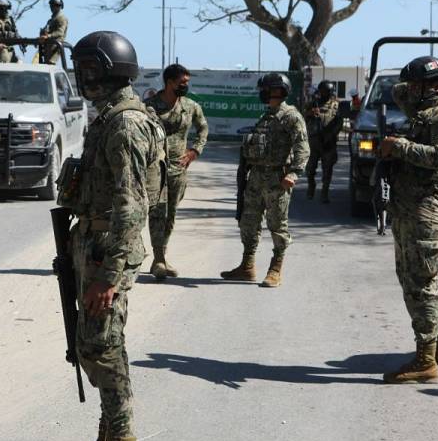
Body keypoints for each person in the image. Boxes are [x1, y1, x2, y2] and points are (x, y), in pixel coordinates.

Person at [68, 31, 164, 441]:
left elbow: (132, 206)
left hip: (109, 250)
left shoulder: (124, 124)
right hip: (94, 244)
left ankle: (122, 436)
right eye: (81, 69)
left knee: (101, 347)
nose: (83, 78)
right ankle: (110, 431)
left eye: (90, 69)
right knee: (94, 343)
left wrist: (109, 275)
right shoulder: (110, 116)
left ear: (112, 71)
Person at [379, 56, 438, 384]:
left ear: (433, 86)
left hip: (426, 209)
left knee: (421, 284)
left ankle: (426, 361)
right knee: (415, 280)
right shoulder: (424, 114)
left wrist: (398, 146)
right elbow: (400, 91)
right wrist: (426, 85)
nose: (410, 90)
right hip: (409, 209)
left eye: (418, 84)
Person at [221, 73, 309, 287]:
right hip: (256, 178)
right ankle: (247, 266)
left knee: (278, 225)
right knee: (248, 223)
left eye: (266, 89)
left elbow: (302, 147)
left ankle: (276, 269)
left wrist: (294, 173)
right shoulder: (267, 116)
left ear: (277, 90)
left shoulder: (290, 116)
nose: (263, 93)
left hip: (277, 179)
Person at [144, 64, 209, 279]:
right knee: (156, 213)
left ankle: (161, 257)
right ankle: (158, 258)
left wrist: (194, 151)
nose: (186, 86)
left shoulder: (190, 107)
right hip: (154, 168)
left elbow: (203, 128)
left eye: (187, 82)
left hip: (178, 169)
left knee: (170, 213)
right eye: (182, 82)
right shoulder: (149, 106)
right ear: (169, 82)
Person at [304, 80, 341, 203]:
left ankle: (324, 193)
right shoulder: (313, 104)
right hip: (314, 141)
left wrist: (331, 135)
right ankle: (311, 185)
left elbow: (339, 123)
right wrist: (309, 113)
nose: (325, 94)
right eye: (323, 91)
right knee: (310, 169)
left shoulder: (336, 105)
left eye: (328, 92)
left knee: (327, 169)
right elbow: (302, 118)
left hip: (328, 141)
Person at [38, 0, 68, 64]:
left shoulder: (61, 18)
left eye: (55, 5)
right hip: (48, 45)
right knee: (45, 65)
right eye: (52, 5)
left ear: (60, 6)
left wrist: (48, 36)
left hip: (55, 46)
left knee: (50, 64)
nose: (52, 7)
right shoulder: (51, 19)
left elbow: (60, 32)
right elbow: (47, 30)